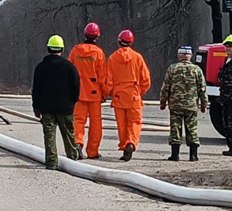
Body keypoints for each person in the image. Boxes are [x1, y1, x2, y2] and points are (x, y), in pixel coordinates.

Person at [32, 35, 81, 170]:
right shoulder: (69, 67)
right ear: (62, 49)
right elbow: (76, 87)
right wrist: (73, 101)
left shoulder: (40, 67)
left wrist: (36, 107)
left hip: (47, 109)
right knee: (69, 136)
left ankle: (51, 162)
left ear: (48, 48)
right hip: (66, 109)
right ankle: (73, 160)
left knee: (49, 137)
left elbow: (36, 89)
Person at [106, 29, 151, 161]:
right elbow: (146, 79)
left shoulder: (113, 58)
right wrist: (139, 91)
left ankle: (125, 145)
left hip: (119, 96)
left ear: (119, 42)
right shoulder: (137, 57)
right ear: (131, 42)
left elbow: (108, 81)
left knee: (122, 124)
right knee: (134, 122)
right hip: (134, 95)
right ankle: (131, 143)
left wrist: (110, 93)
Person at [159, 45, 208, 161]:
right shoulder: (197, 70)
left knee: (175, 128)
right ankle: (193, 155)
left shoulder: (172, 68)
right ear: (190, 56)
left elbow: (165, 87)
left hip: (175, 105)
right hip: (191, 105)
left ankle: (175, 155)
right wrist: (204, 104)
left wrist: (163, 102)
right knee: (192, 129)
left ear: (179, 56)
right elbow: (202, 88)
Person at [67, 22, 107, 160]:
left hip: (78, 93)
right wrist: (105, 92)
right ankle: (93, 151)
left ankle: (78, 143)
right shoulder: (99, 53)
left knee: (78, 120)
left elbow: (69, 72)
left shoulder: (75, 51)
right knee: (96, 124)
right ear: (97, 36)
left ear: (85, 34)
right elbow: (102, 76)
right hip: (95, 94)